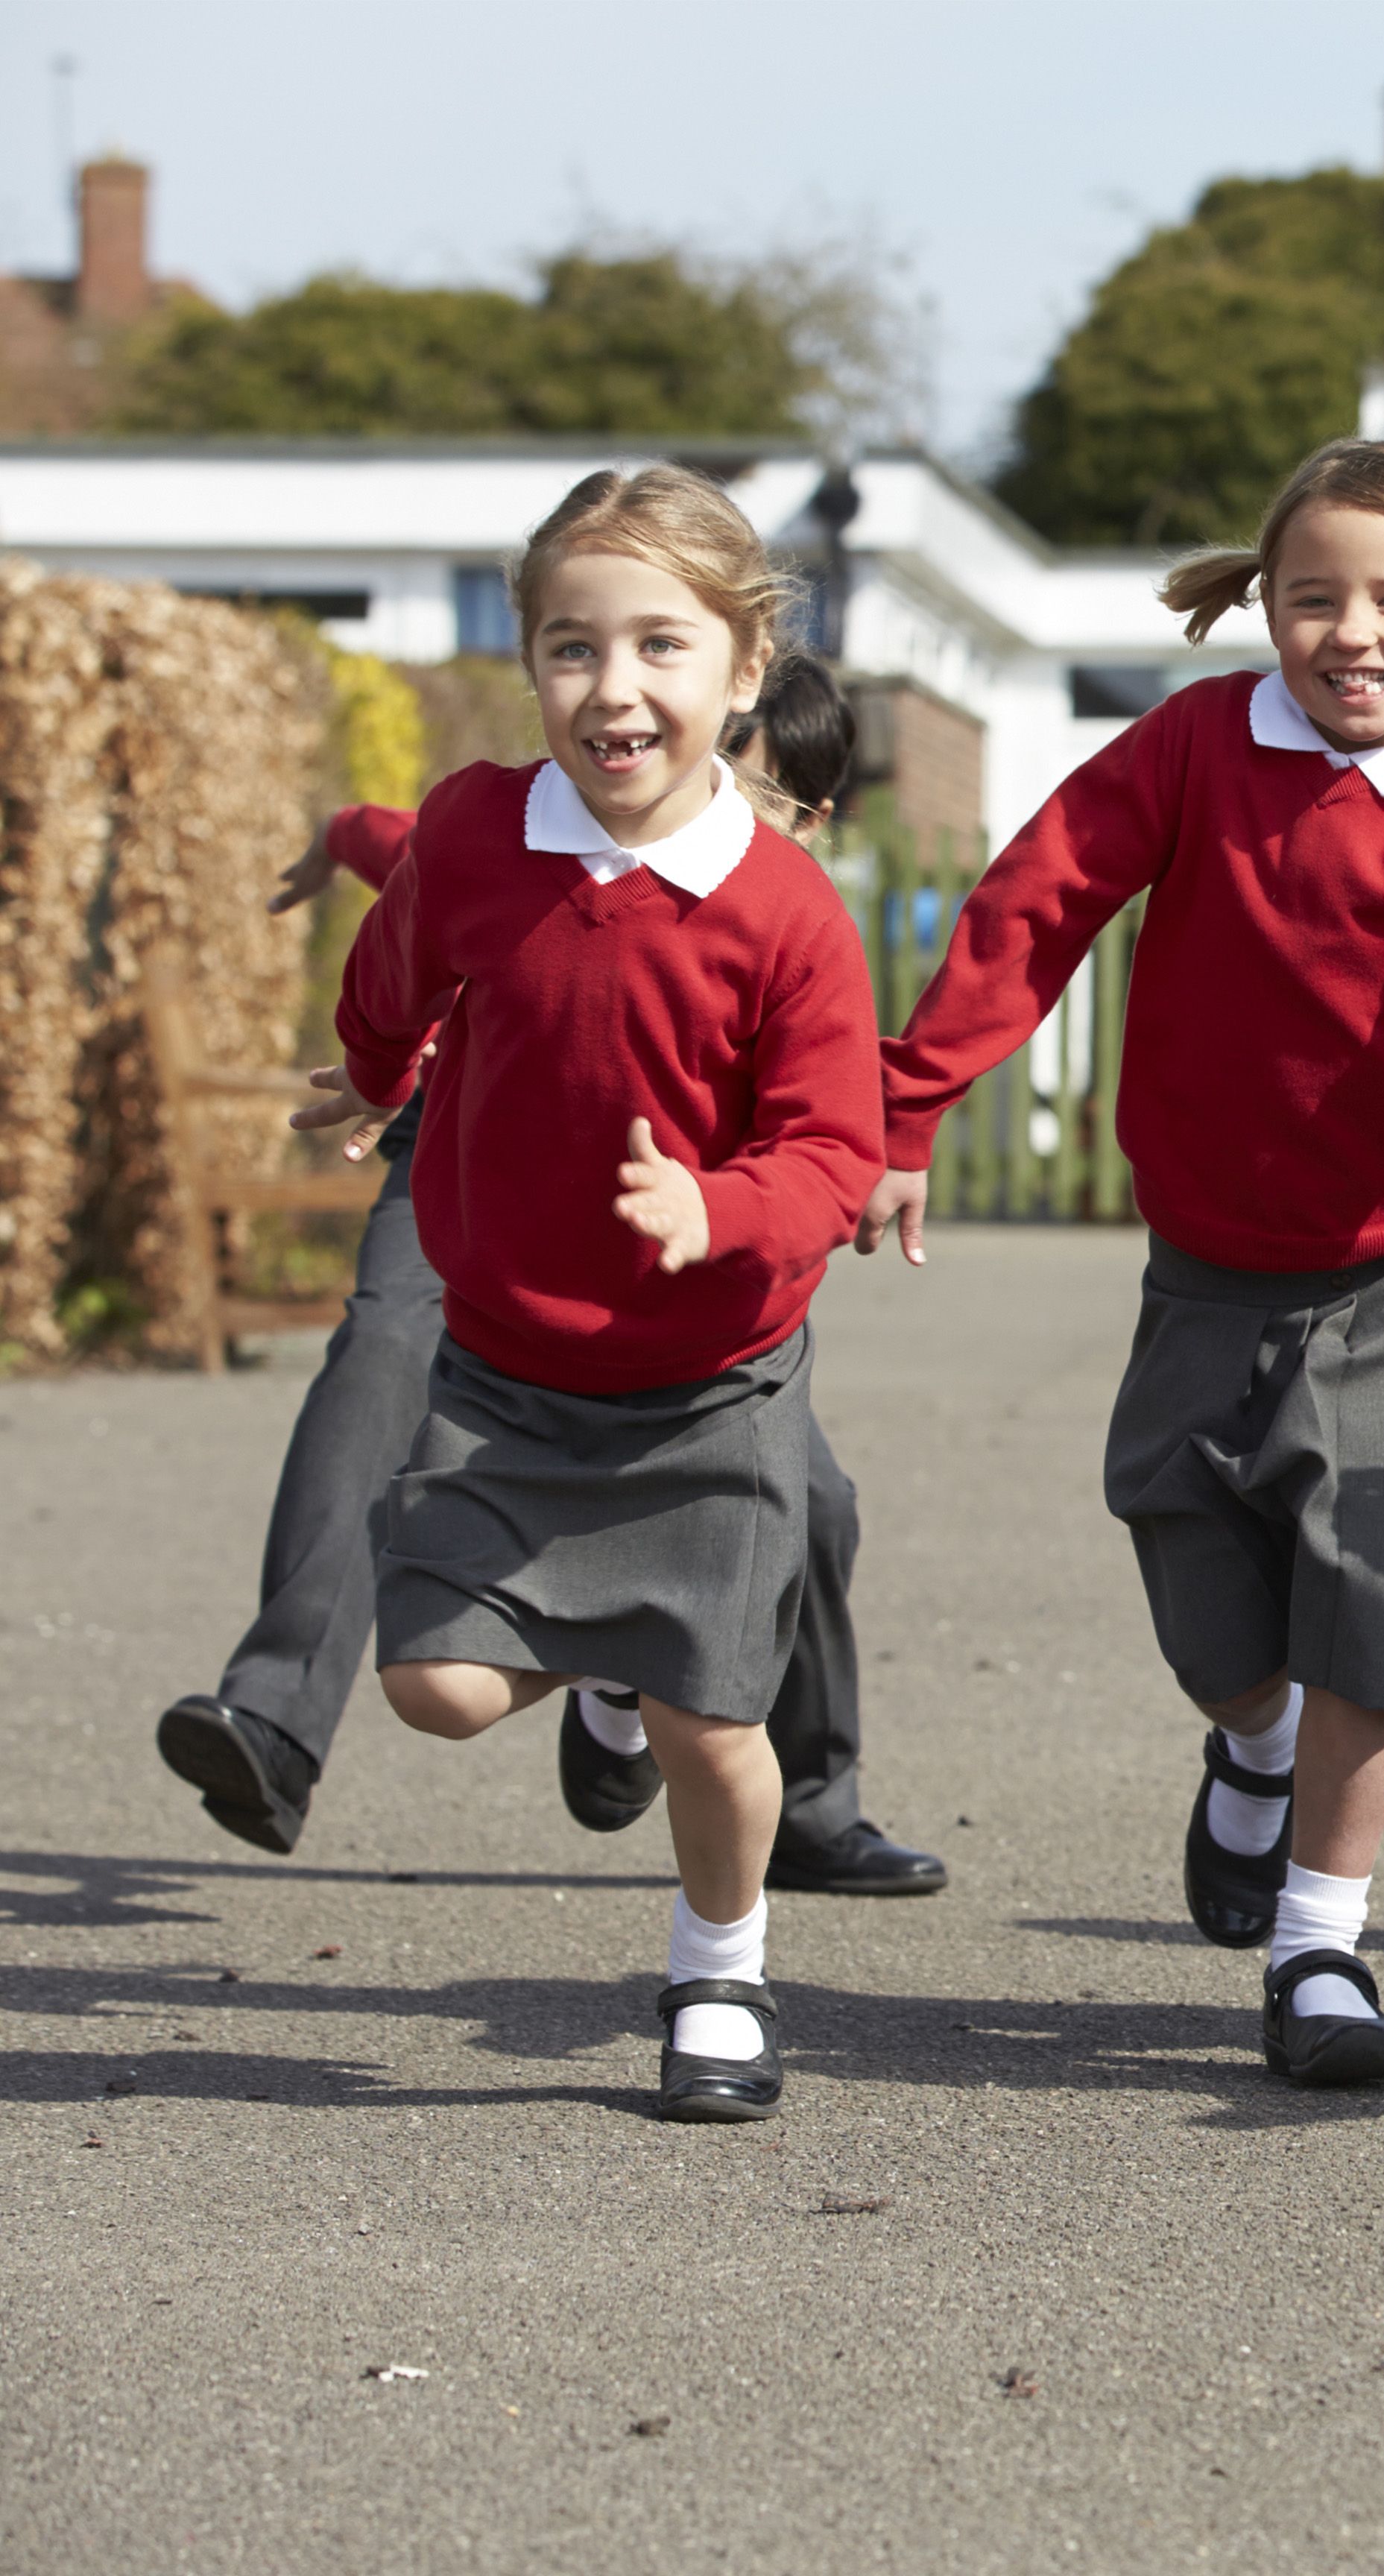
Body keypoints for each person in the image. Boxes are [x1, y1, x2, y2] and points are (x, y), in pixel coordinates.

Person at [856, 438, 1384, 2088]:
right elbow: (1031, 907)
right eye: (1313, 598)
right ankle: (1253, 1750)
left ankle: (1322, 1952)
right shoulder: (1198, 748)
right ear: (1265, 606)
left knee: (1374, 1600)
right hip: (1209, 1268)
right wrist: (906, 1104)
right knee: (1209, 1610)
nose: (1351, 634)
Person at [155, 655, 947, 1900]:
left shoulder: (776, 917)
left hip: (680, 1218)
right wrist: (336, 849)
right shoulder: (530, 829)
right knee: (383, 1360)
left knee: (816, 1503)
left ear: (807, 817)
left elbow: (830, 1121)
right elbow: (407, 852)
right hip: (484, 1161)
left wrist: (826, 1176)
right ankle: (275, 1712)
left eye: (759, 792)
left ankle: (793, 1795)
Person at [298, 464, 886, 2121]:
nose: (613, 690)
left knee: (715, 1727)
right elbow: (398, 957)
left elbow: (832, 1146)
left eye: (659, 648)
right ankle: (610, 1667)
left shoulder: (782, 910)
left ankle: (719, 1977)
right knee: (435, 1688)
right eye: (571, 648)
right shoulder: (483, 828)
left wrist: (724, 1206)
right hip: (504, 1371)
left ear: (743, 668)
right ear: (529, 657)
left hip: (712, 1385)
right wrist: (368, 1068)